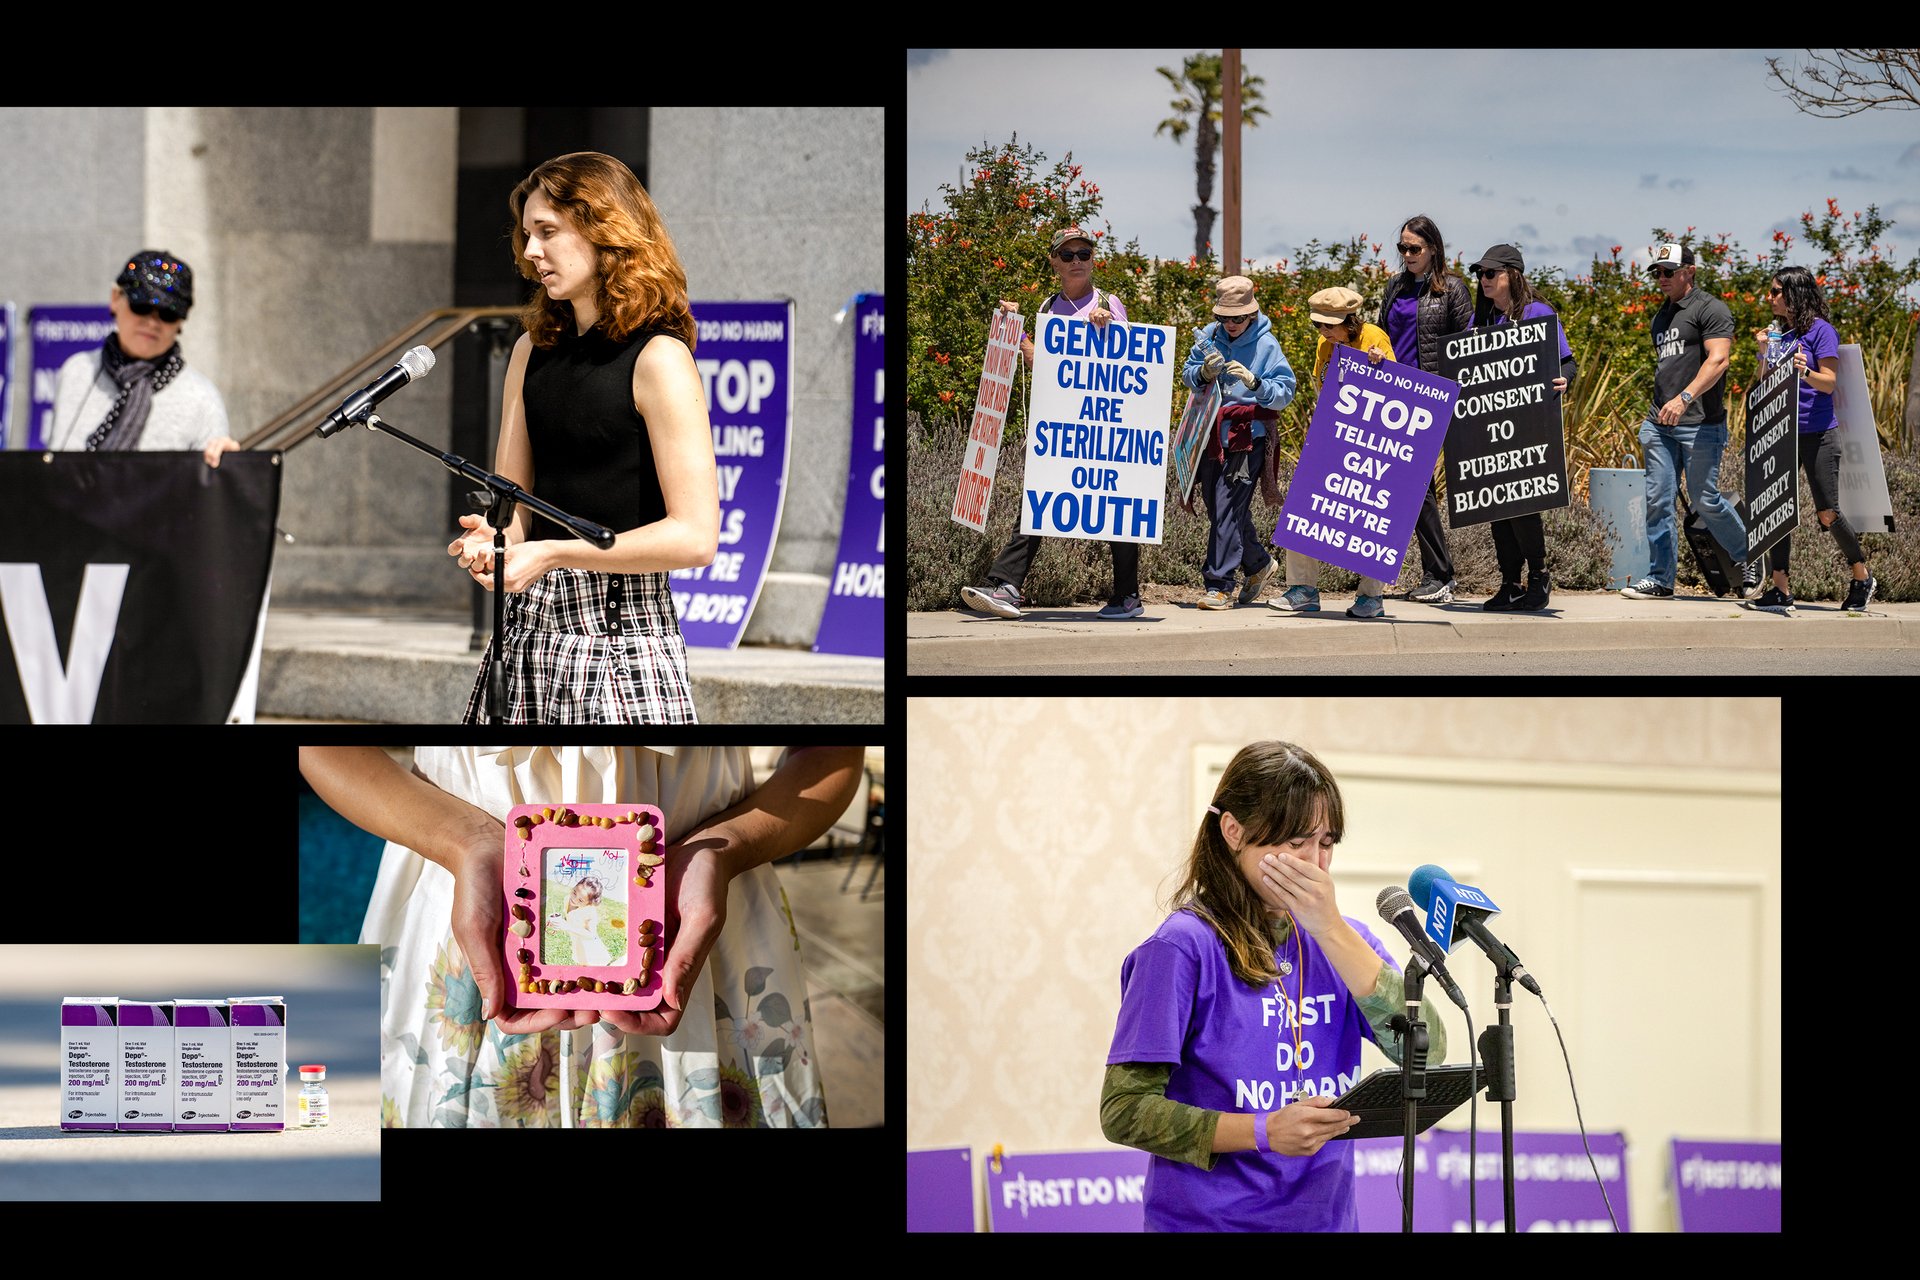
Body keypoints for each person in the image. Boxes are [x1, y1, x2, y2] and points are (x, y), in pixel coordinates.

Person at [299, 744, 864, 1127]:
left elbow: (833, 752)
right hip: (475, 913)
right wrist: (463, 841)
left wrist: (729, 846)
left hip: (699, 919)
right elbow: (319, 745)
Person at [1100, 740, 1450, 1231]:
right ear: (1233, 832)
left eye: (1326, 843)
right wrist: (1263, 1131)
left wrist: (1329, 929)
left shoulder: (1346, 941)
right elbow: (1124, 1110)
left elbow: (1428, 1051)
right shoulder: (1181, 947)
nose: (1314, 864)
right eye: (1294, 843)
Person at [447, 152, 719, 723]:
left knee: (614, 813)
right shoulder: (529, 351)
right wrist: (494, 543)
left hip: (621, 641)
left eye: (548, 232)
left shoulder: (659, 358)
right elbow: (514, 506)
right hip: (526, 636)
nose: (530, 252)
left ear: (607, 232)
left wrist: (552, 552)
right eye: (526, 235)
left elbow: (695, 538)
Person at [959, 226, 1144, 621]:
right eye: (1068, 255)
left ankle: (1128, 595)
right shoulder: (1047, 308)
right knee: (1037, 500)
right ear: (1054, 262)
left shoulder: (1110, 303)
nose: (1077, 261)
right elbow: (1037, 361)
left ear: (1093, 259)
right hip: (1061, 429)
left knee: (1116, 505)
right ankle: (1007, 585)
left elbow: (1133, 362)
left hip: (1105, 427)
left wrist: (1108, 328)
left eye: (1084, 253)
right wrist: (1017, 329)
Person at [1620, 243, 1762, 601]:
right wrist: (1664, 407)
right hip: (1659, 423)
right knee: (1657, 500)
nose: (1662, 279)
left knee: (1705, 499)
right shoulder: (1661, 317)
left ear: (1690, 270)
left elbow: (1719, 361)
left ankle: (1749, 557)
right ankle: (1660, 579)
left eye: (1669, 271)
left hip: (1701, 423)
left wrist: (1684, 399)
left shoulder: (1710, 308)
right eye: (1658, 273)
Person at [1742, 266, 1876, 615]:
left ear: (1793, 293)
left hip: (1817, 431)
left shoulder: (1821, 331)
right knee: (1776, 510)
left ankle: (1861, 576)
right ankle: (1780, 589)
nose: (1769, 298)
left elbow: (1829, 382)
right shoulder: (1780, 334)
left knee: (1827, 511)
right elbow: (1765, 382)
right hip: (1781, 430)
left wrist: (1805, 371)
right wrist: (1762, 353)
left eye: (1774, 292)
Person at [46, 249, 240, 466]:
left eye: (168, 313)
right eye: (141, 306)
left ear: (180, 322)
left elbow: (212, 488)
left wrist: (226, 465)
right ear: (115, 299)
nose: (152, 322)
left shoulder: (202, 399)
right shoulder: (77, 371)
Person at [1269, 287, 1393, 617]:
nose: (1324, 332)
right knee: (1304, 508)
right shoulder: (1326, 345)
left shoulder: (1373, 337)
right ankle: (1303, 589)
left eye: (1330, 325)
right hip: (1333, 437)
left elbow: (1396, 393)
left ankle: (1371, 597)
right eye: (1318, 326)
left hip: (1372, 444)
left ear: (1350, 322)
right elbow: (1325, 389)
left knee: (1372, 519)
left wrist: (1380, 367)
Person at [1466, 244, 1577, 611]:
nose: (1483, 280)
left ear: (1511, 274)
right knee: (1497, 506)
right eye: (1479, 273)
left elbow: (1567, 363)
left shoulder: (1538, 313)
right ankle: (1510, 582)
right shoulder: (1482, 320)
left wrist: (1564, 380)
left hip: (1528, 425)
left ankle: (1539, 576)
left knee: (1523, 504)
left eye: (1490, 273)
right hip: (1490, 427)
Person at [1179, 275, 1294, 609]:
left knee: (1227, 507)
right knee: (1219, 508)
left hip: (1248, 435)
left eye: (1237, 318)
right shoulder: (1209, 337)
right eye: (1224, 317)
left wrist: (1256, 382)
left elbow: (1285, 392)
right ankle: (1258, 564)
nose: (1230, 324)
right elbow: (1188, 374)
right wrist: (1203, 373)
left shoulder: (1267, 345)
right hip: (1210, 432)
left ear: (1252, 315)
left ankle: (1219, 584)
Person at [1378, 216, 1473, 603]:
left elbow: (1466, 344)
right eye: (1402, 248)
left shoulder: (1452, 289)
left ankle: (1440, 574)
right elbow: (1382, 334)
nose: (1407, 255)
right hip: (1394, 395)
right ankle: (1435, 573)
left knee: (1415, 486)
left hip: (1432, 396)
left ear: (1433, 248)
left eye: (1414, 248)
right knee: (1412, 488)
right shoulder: (1395, 287)